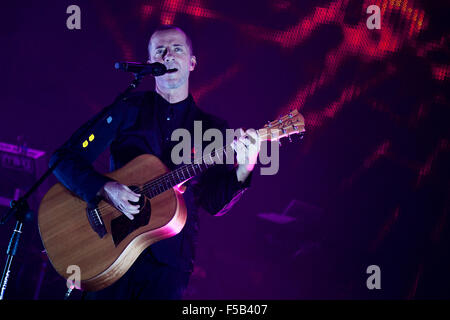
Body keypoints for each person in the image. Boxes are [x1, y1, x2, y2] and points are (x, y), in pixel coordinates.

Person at [49, 25, 260, 300]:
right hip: (110, 251)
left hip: (168, 265)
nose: (168, 55)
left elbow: (213, 202)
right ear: (150, 65)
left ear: (192, 62)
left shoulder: (213, 129)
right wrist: (105, 189)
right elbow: (64, 158)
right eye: (160, 51)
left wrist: (245, 168)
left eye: (177, 49)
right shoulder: (127, 109)